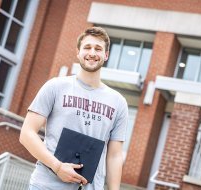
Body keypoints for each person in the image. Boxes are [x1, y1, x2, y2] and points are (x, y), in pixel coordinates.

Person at [19, 26, 128, 190]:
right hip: (47, 186)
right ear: (78, 52)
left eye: (98, 49)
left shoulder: (118, 102)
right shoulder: (55, 86)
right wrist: (57, 166)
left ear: (106, 55)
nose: (92, 53)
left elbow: (114, 156)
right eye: (87, 47)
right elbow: (27, 133)